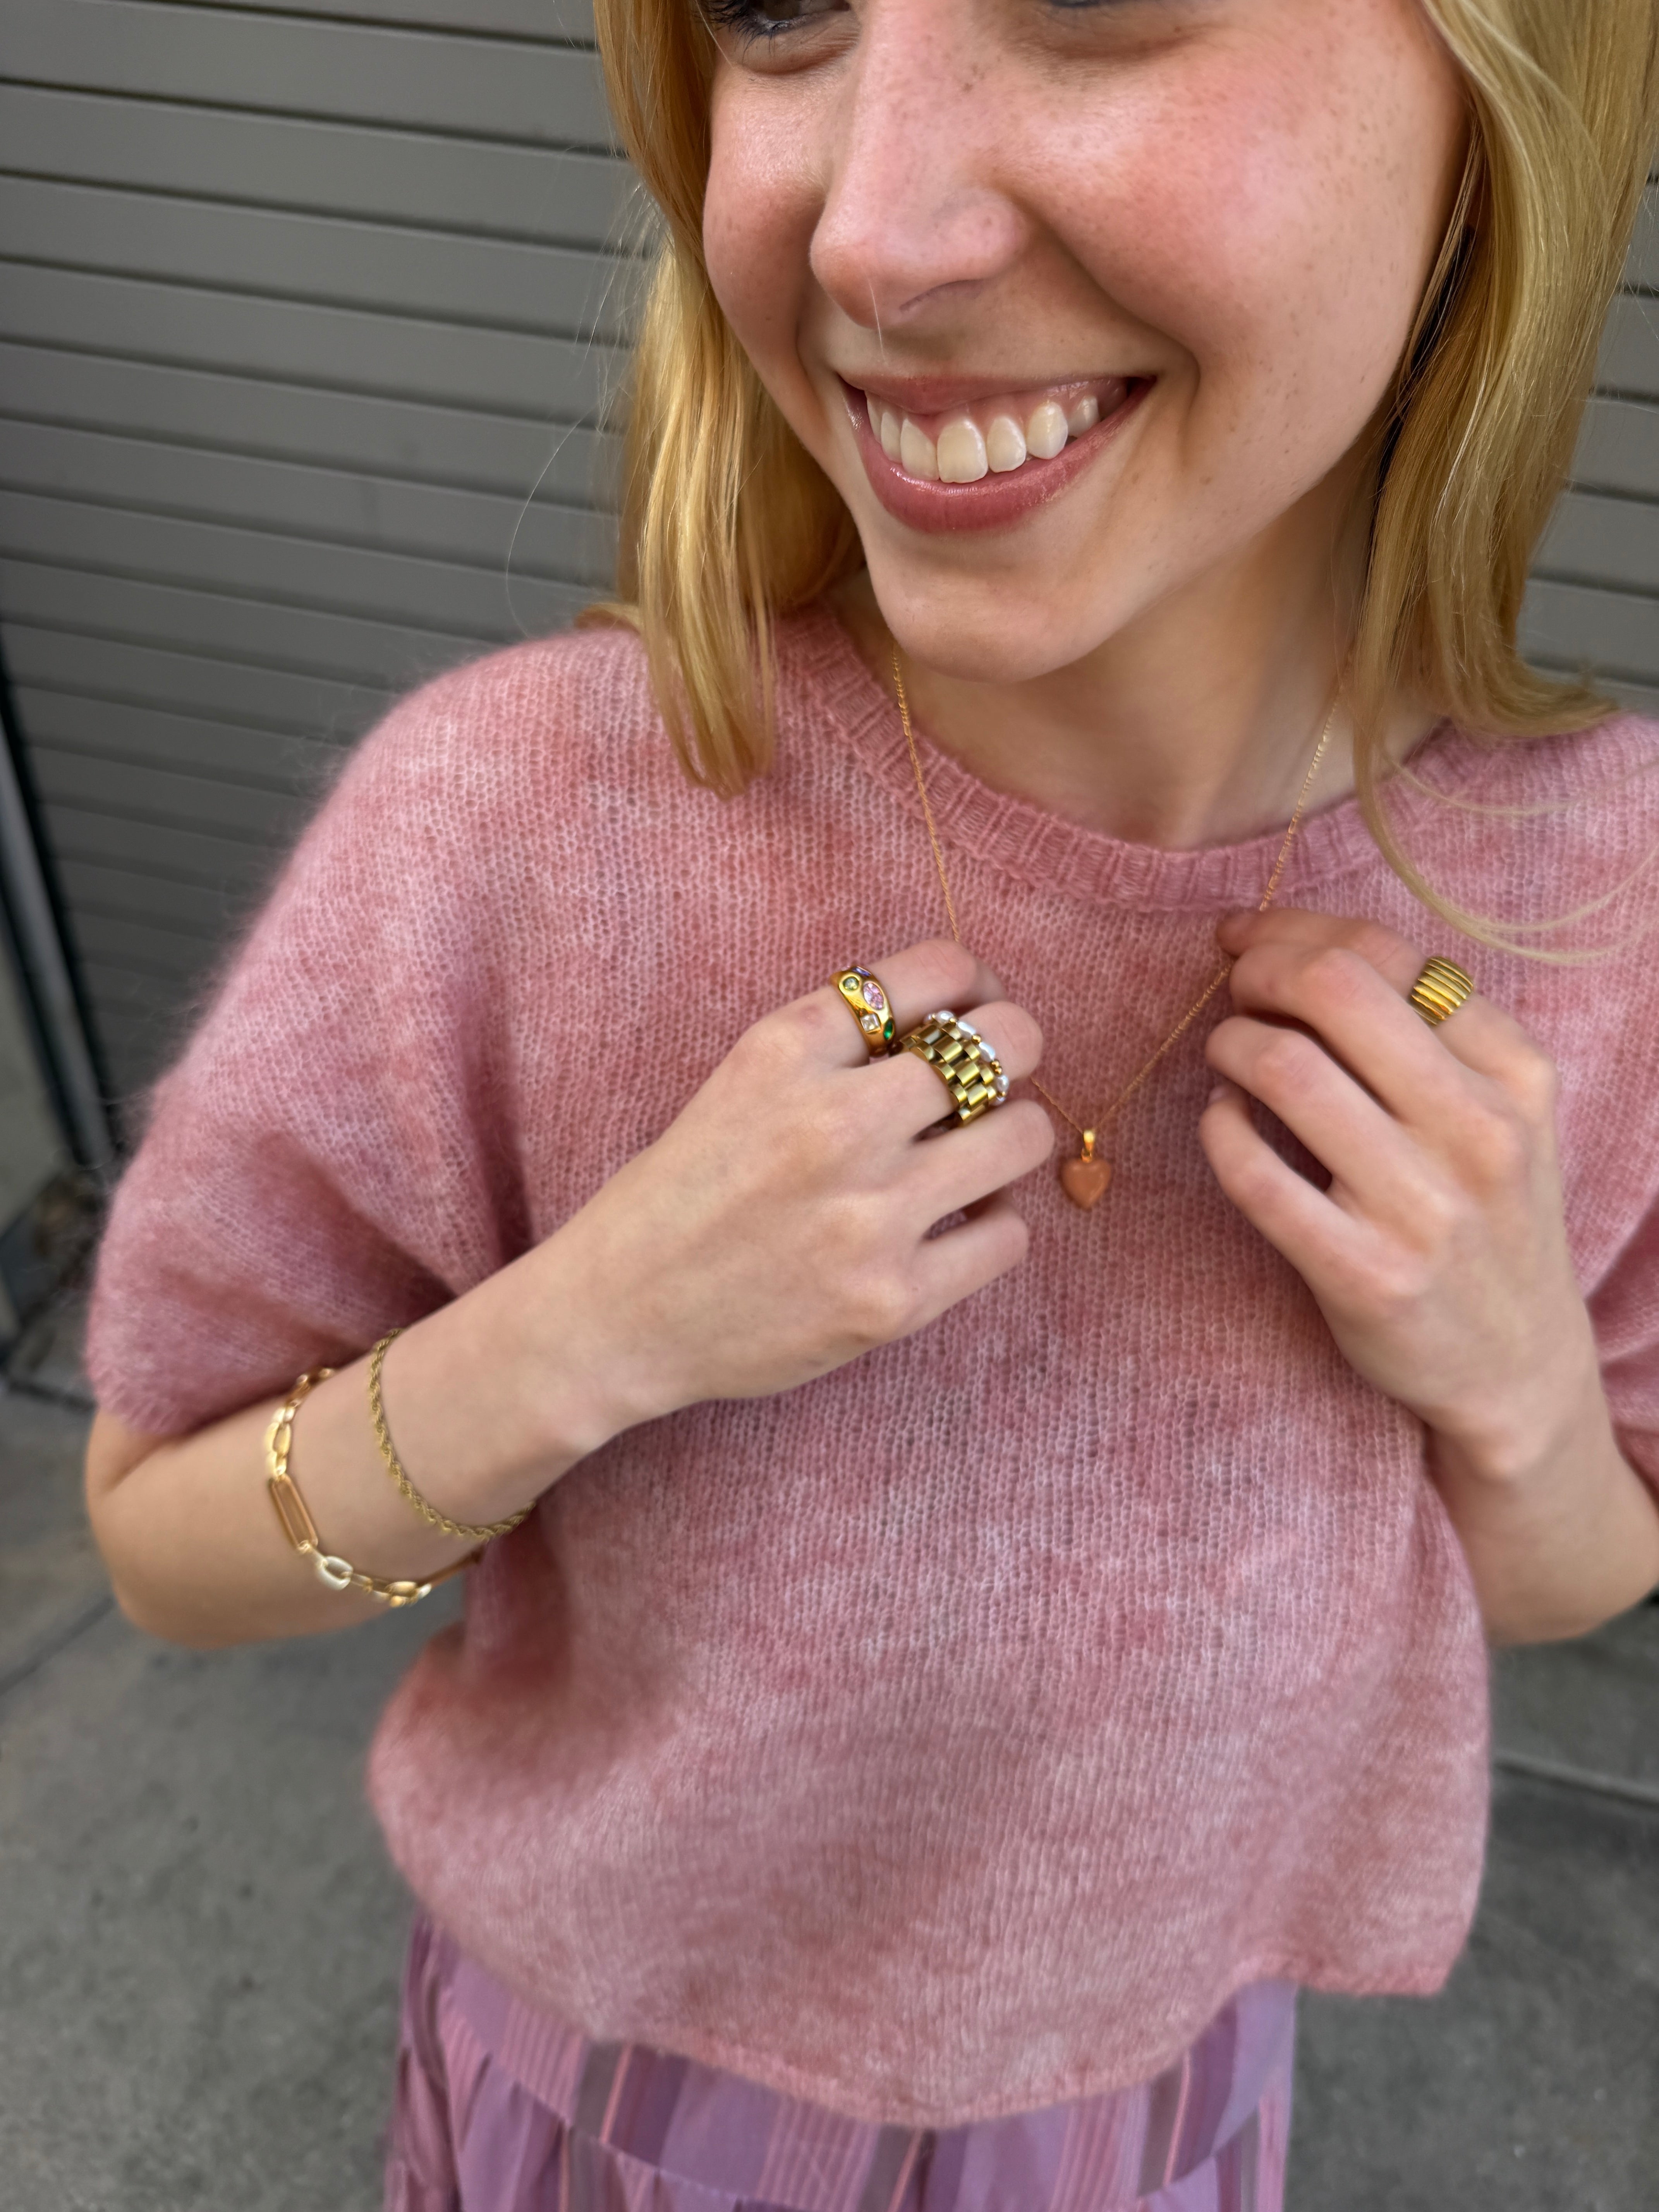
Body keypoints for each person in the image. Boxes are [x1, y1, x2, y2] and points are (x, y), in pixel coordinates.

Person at [81, 2, 1659, 2206]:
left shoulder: (1603, 911)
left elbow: (1585, 1570)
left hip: (1164, 2111)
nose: (878, 230)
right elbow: (161, 1540)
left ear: (1511, 103)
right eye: (777, 2)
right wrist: (599, 1326)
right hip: (609, 2107)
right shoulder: (513, 834)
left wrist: (1515, 1393)